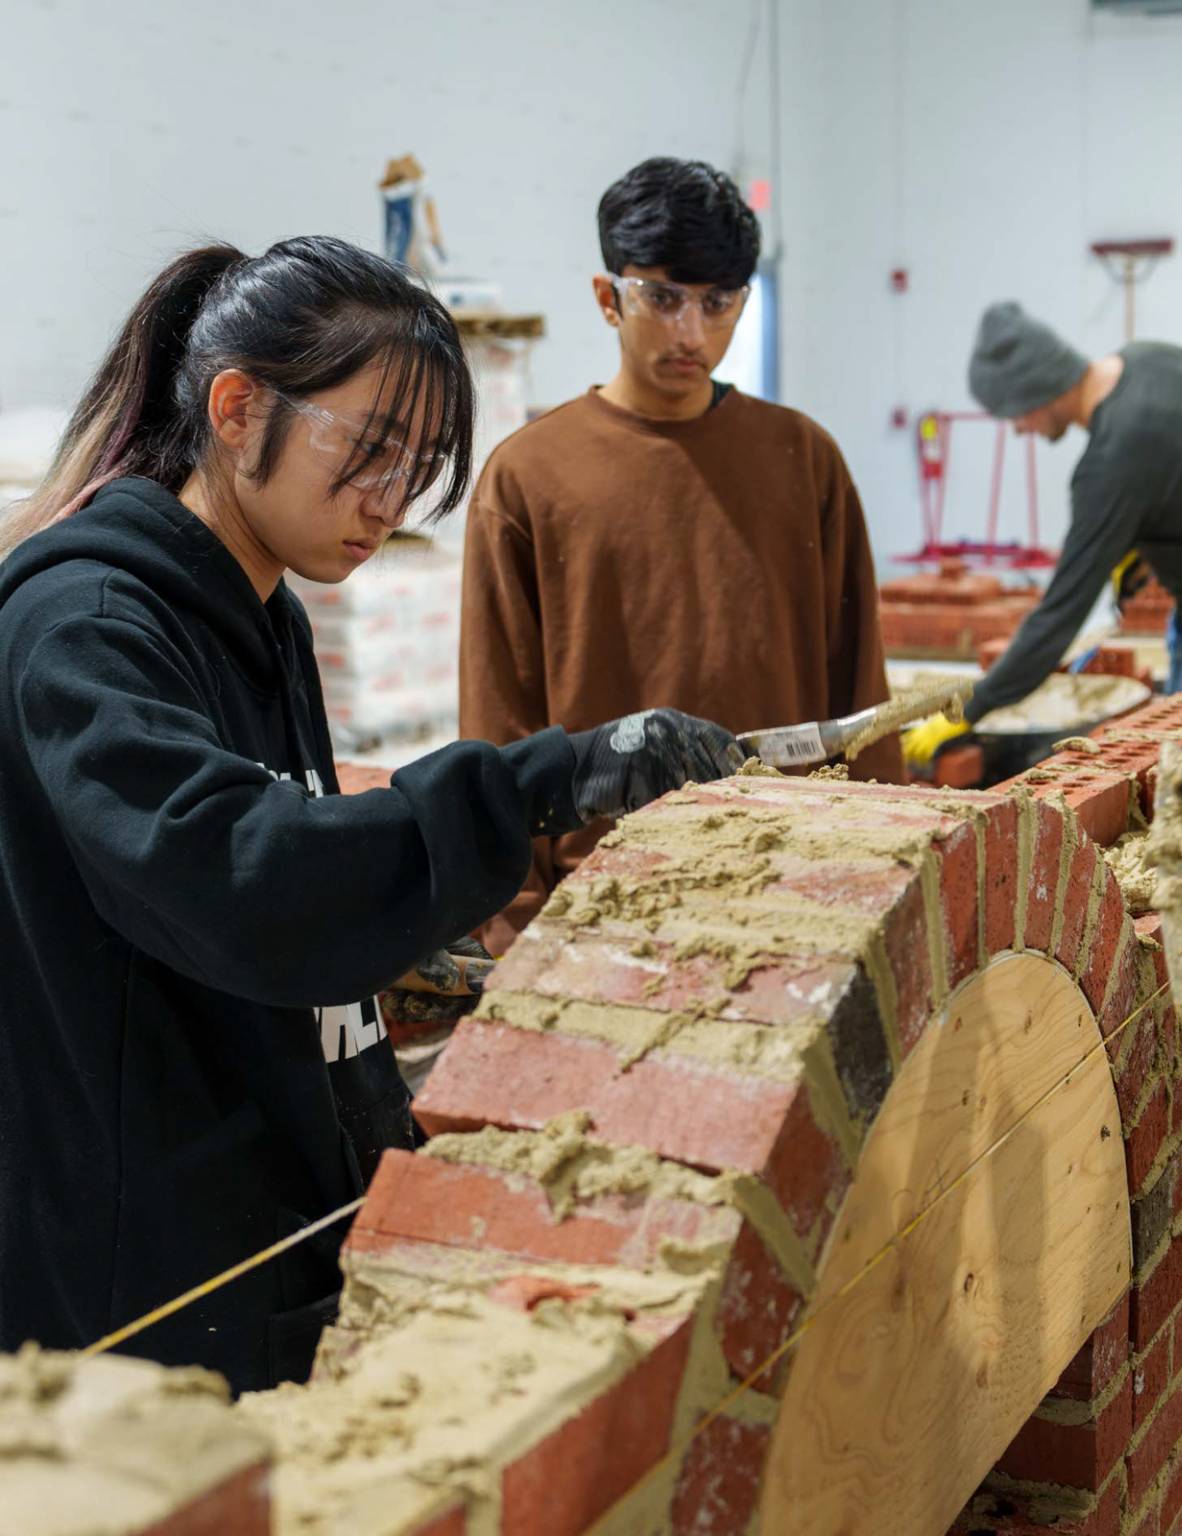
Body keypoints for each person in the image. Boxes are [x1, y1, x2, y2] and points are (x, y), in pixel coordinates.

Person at [0, 237, 741, 1392]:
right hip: (149, 1276)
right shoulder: (85, 625)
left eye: (420, 469)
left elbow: (259, 864)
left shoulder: (263, 607)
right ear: (239, 408)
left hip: (272, 1207)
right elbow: (242, 872)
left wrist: (401, 956)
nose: (389, 505)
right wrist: (542, 781)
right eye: (370, 454)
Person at [460, 158, 900, 954]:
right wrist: (513, 918)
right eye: (661, 298)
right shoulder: (529, 476)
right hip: (605, 899)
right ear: (608, 298)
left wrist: (891, 871)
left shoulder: (804, 460)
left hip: (794, 879)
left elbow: (859, 685)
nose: (691, 333)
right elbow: (500, 713)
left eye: (717, 303)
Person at [902, 304, 1182, 766]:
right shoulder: (1158, 358)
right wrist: (1141, 536)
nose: (1020, 430)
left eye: (1015, 414)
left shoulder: (1111, 460)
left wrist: (969, 709)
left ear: (1036, 391)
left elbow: (1058, 617)